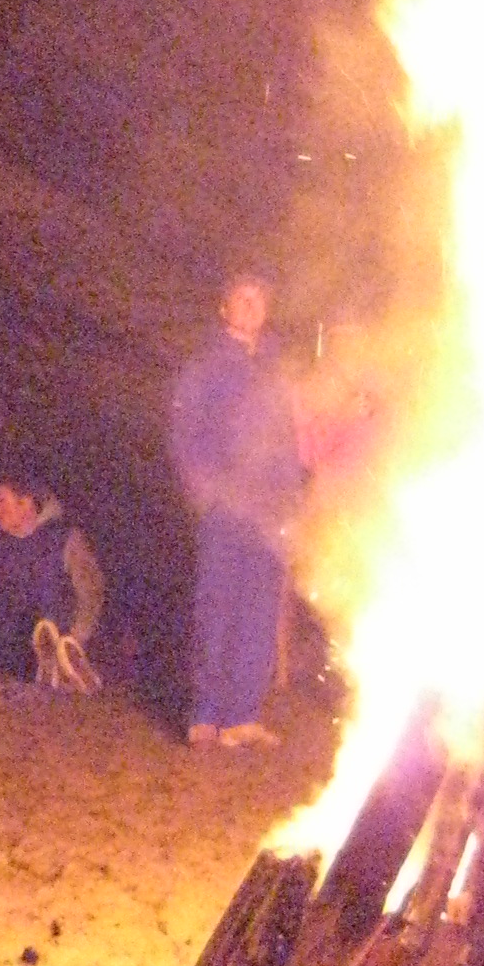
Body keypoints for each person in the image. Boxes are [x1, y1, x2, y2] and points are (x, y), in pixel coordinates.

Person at [169, 272, 306, 747]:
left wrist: (290, 500)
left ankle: (242, 715)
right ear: (224, 308)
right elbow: (184, 434)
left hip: (268, 510)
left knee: (259, 611)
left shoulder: (275, 370)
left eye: (258, 300)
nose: (250, 306)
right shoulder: (206, 366)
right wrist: (206, 495)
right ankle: (205, 715)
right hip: (226, 508)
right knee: (218, 607)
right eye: (241, 299)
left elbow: (288, 442)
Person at [0, 478, 106, 690]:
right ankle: (60, 675)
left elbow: (90, 593)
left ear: (26, 502)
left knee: (49, 620)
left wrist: (76, 639)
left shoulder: (65, 538)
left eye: (1, 500)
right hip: (4, 650)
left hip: (56, 639)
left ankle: (63, 668)